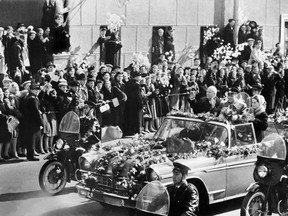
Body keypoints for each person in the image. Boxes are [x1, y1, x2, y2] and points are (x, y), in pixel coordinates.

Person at [22, 83, 43, 161]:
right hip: (32, 122)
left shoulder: (31, 97)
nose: (37, 91)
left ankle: (30, 154)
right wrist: (41, 122)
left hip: (29, 121)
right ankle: (30, 155)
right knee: (32, 139)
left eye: (37, 90)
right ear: (31, 90)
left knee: (32, 139)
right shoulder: (32, 98)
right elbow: (35, 112)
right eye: (35, 90)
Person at [124, 70, 143, 136]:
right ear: (137, 77)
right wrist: (141, 103)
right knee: (136, 118)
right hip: (135, 103)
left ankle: (131, 130)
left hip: (129, 103)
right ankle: (137, 131)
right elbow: (138, 95)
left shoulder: (128, 82)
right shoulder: (136, 84)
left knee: (130, 117)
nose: (140, 78)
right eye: (139, 76)